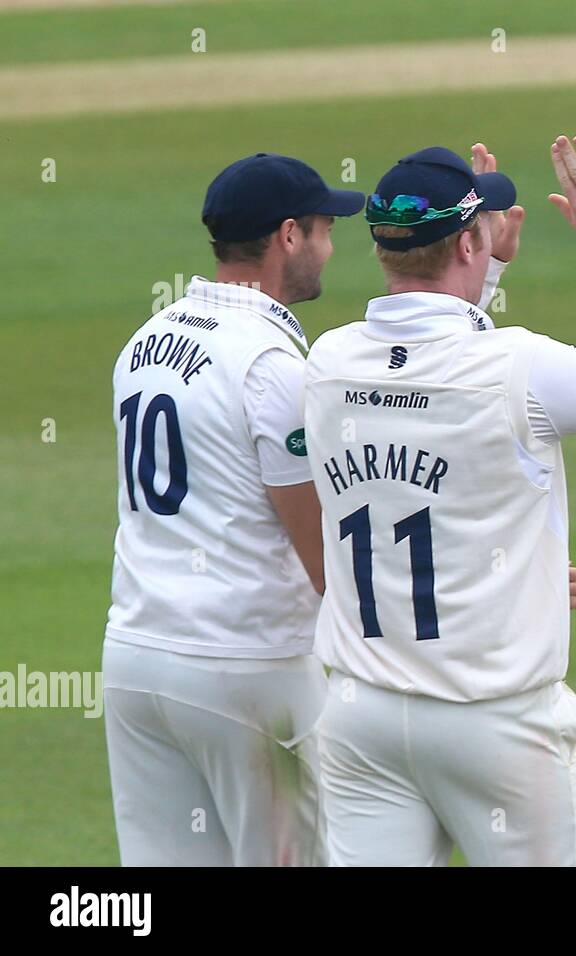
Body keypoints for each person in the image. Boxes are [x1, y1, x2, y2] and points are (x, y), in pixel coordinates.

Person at [303, 136, 576, 866]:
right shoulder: (521, 367)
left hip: (360, 717)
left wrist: (481, 269)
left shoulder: (329, 361)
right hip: (496, 727)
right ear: (466, 240)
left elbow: (429, 373)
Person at [104, 153, 364, 865]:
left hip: (135, 659)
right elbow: (322, 559)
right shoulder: (271, 366)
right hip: (247, 667)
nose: (330, 246)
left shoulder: (144, 342)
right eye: (323, 229)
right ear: (288, 236)